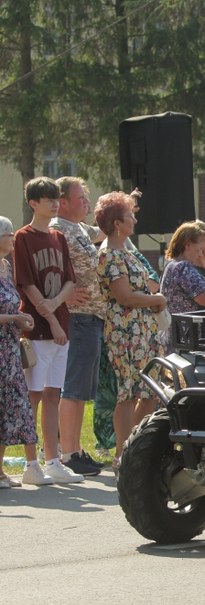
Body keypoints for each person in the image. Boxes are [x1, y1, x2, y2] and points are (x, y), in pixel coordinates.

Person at [14, 177, 82, 484]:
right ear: (33, 203)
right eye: (47, 199)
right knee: (35, 393)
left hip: (60, 326)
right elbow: (27, 285)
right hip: (37, 328)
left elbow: (70, 280)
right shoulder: (22, 237)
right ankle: (31, 464)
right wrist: (52, 318)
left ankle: (53, 459)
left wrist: (56, 307)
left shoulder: (59, 237)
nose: (54, 203)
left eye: (56, 198)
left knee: (54, 393)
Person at [95, 191, 167, 472]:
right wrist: (157, 300)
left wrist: (152, 297)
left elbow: (144, 285)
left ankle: (136, 449)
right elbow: (124, 296)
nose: (134, 219)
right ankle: (122, 455)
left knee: (148, 391)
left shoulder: (126, 251)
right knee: (127, 393)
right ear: (117, 224)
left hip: (143, 328)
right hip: (125, 330)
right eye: (130, 216)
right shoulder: (109, 254)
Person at [49, 176, 105, 475]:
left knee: (81, 388)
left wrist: (128, 203)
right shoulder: (58, 228)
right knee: (73, 387)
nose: (86, 202)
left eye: (86, 196)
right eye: (80, 197)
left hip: (92, 314)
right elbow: (46, 269)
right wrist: (63, 297)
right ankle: (68, 454)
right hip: (78, 315)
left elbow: (103, 230)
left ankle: (73, 450)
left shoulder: (79, 228)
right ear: (63, 201)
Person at [0, 215, 50, 487]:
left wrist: (22, 317)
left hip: (9, 351)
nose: (11, 239)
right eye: (7, 234)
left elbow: (9, 305)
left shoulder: (5, 267)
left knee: (11, 407)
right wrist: (14, 320)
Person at [160, 222, 205, 341]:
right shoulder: (182, 267)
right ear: (187, 245)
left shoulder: (171, 266)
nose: (200, 254)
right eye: (198, 249)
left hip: (186, 338)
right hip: (194, 342)